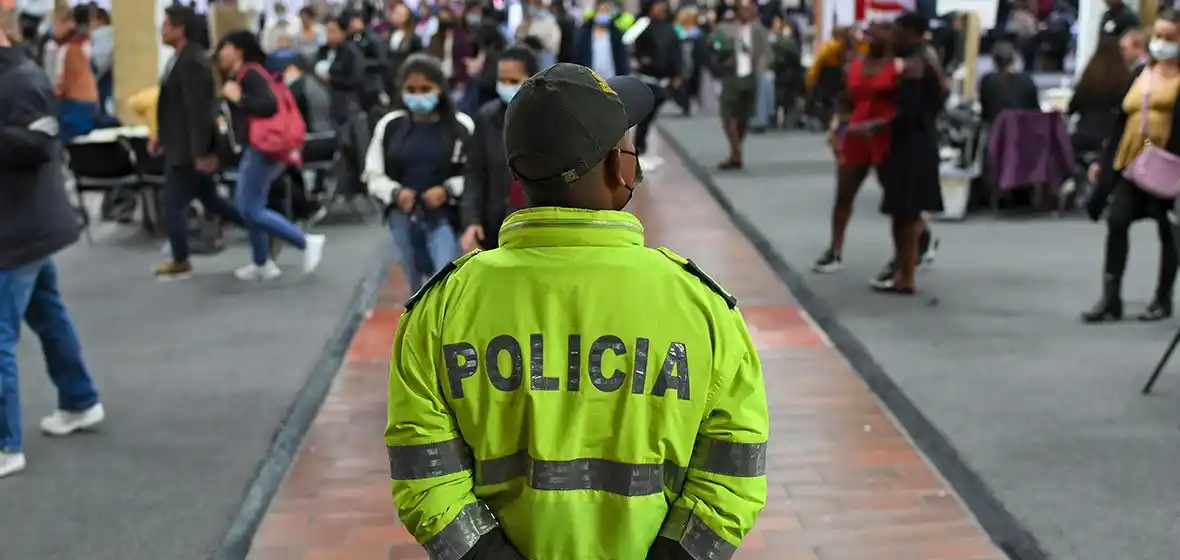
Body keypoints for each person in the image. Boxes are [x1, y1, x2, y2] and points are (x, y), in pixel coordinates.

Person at [385, 62, 768, 558]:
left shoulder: (442, 308)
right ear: (619, 166)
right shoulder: (700, 307)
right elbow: (734, 469)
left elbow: (424, 475)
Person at [0, 7, 104, 478]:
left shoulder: (23, 80)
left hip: (18, 231)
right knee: (48, 315)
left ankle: (6, 444)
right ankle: (80, 400)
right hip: (25, 228)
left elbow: (36, 146)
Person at [1083, 10, 1180, 323]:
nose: (1162, 43)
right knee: (1117, 221)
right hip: (1132, 162)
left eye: (1170, 37)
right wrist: (1104, 160)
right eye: (1159, 35)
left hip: (1167, 164)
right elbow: (1120, 120)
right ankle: (1110, 298)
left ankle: (1162, 299)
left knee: (1169, 233)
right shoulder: (1142, 72)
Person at [215, 30, 326, 282]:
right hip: (261, 147)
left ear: (238, 50)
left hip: (262, 147)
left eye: (225, 46)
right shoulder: (249, 73)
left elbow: (267, 105)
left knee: (248, 206)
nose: (220, 53)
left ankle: (305, 241)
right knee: (251, 205)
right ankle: (261, 262)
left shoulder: (250, 74)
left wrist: (238, 98)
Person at [153, 4, 245, 280]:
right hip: (181, 144)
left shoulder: (193, 61)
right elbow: (175, 106)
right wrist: (160, 134)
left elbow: (198, 111)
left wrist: (202, 151)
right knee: (213, 201)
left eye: (166, 24)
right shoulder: (179, 59)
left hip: (189, 150)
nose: (162, 29)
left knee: (172, 203)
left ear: (180, 29)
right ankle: (262, 227)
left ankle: (180, 259)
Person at [363, 54, 470, 291]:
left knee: (445, 285)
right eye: (411, 89)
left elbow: (474, 174)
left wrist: (448, 190)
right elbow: (373, 173)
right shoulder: (391, 125)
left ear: (440, 88)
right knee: (414, 289)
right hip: (402, 216)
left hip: (446, 216)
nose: (418, 95)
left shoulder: (461, 126)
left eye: (425, 88)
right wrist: (395, 193)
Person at [812, 21, 898, 274]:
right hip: (856, 135)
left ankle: (914, 246)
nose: (872, 36)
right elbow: (845, 100)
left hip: (886, 135)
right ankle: (835, 249)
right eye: (870, 31)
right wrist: (836, 127)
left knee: (897, 199)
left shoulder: (899, 65)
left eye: (879, 30)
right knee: (844, 195)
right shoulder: (857, 65)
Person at [874, 12, 944, 294]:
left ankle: (907, 274)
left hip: (912, 145)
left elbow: (909, 112)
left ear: (914, 33)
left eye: (898, 32)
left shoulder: (916, 64)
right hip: (916, 141)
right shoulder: (927, 59)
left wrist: (876, 124)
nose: (893, 37)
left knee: (906, 214)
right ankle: (905, 271)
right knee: (903, 213)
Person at [461, 45, 539, 252]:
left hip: (540, 227)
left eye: (513, 81)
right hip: (496, 226)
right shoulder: (487, 118)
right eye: (502, 81)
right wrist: (471, 220)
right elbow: (475, 172)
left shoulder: (551, 119)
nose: (506, 86)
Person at [712, 0, 768, 170]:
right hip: (731, 76)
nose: (749, 11)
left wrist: (762, 70)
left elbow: (765, 52)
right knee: (728, 115)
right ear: (737, 11)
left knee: (744, 115)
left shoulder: (759, 30)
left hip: (751, 77)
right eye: (745, 8)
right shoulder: (725, 28)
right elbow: (715, 46)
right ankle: (736, 152)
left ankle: (736, 150)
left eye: (751, 8)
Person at [628, 0, 680, 165]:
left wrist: (677, 73)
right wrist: (639, 58)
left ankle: (640, 148)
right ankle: (638, 149)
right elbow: (628, 41)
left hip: (663, 78)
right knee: (645, 113)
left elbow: (674, 51)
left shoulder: (670, 28)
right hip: (646, 77)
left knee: (652, 112)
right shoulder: (643, 24)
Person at [1070, 38, 1131, 158]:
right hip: (1111, 136)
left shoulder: (1089, 76)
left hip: (1085, 133)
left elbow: (1072, 106)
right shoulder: (1124, 78)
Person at [45, 6, 97, 141]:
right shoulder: (84, 44)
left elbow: (62, 82)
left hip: (73, 104)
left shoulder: (68, 48)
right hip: (88, 102)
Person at [315, 16, 365, 125]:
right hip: (321, 98)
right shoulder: (322, 51)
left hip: (345, 100)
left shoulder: (350, 52)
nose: (329, 35)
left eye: (333, 31)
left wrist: (332, 80)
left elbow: (356, 78)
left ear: (343, 32)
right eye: (327, 32)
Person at [978, 41, 1040, 125]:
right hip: (1022, 130)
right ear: (1013, 60)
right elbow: (1035, 110)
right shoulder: (1026, 80)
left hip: (996, 132)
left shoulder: (987, 81)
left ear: (994, 61)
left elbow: (985, 111)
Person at [576, 0, 629, 80]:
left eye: (606, 11)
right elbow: (578, 55)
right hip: (590, 79)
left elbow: (622, 58)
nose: (603, 14)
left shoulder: (616, 34)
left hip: (611, 79)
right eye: (601, 11)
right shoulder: (585, 33)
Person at [383, 2, 422, 95]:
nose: (395, 16)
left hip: (404, 77)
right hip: (389, 78)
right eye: (395, 13)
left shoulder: (413, 38)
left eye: (400, 14)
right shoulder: (389, 34)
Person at [515, 0, 561, 68]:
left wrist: (543, 44)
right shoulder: (527, 19)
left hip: (544, 55)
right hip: (527, 55)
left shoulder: (549, 20)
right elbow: (518, 36)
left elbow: (554, 41)